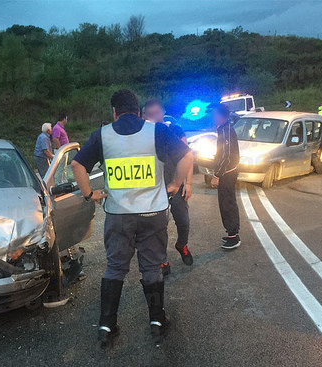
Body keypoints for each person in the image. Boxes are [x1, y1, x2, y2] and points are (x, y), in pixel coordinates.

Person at [72, 90, 192, 347]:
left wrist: (90, 194)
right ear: (138, 110)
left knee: (115, 267)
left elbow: (77, 165)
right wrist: (174, 184)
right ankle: (157, 321)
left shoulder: (102, 135)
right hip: (153, 213)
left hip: (119, 216)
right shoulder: (157, 131)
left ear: (114, 112)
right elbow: (187, 155)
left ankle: (106, 326)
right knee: (151, 267)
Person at [143, 99, 193, 270]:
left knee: (183, 222)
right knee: (159, 227)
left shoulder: (174, 130)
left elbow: (187, 156)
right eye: (150, 114)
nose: (154, 117)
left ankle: (182, 245)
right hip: (156, 189)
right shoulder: (145, 134)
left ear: (163, 112)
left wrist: (188, 183)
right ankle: (163, 260)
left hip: (176, 186)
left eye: (156, 113)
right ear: (144, 116)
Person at [210, 104, 241, 250]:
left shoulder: (227, 130)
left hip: (228, 173)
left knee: (227, 203)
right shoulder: (222, 129)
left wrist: (217, 175)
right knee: (225, 203)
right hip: (227, 172)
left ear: (221, 116)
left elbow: (226, 155)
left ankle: (233, 236)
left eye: (215, 114)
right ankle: (231, 233)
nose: (213, 117)